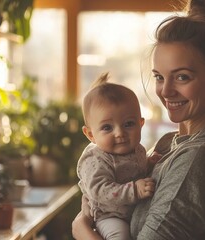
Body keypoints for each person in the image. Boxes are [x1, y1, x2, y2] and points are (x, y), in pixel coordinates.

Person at [72, 0, 205, 239]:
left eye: (182, 77)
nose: (165, 91)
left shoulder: (199, 158)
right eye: (159, 77)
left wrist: (82, 231)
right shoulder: (174, 142)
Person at [76, 73, 158, 240]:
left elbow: (134, 170)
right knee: (120, 236)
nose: (120, 133)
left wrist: (149, 163)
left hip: (133, 211)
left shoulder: (137, 149)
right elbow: (101, 190)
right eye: (107, 127)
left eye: (129, 124)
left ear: (141, 124)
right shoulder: (95, 159)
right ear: (90, 134)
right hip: (110, 215)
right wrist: (134, 190)